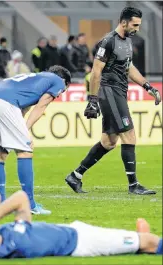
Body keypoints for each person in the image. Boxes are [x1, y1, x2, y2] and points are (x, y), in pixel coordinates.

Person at [65, 7, 161, 195]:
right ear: (124, 22)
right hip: (109, 92)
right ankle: (133, 185)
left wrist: (148, 86)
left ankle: (75, 176)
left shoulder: (126, 42)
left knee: (108, 142)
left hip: (118, 92)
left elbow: (128, 68)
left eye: (139, 25)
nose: (137, 29)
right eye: (135, 25)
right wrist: (92, 99)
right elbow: (95, 72)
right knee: (129, 135)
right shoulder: (108, 41)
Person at [0, 190, 163, 259]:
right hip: (84, 243)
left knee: (138, 241)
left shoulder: (1, 235)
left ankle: (135, 242)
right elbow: (19, 197)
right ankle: (141, 243)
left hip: (74, 230)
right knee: (149, 241)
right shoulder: (16, 243)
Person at [0, 65, 71, 215]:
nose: (58, 94)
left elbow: (22, 109)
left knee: (0, 152)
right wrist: (25, 132)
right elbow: (41, 106)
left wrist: (21, 130)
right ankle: (29, 204)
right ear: (64, 81)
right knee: (25, 150)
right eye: (62, 91)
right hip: (4, 103)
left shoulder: (34, 79)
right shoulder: (57, 81)